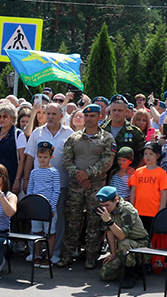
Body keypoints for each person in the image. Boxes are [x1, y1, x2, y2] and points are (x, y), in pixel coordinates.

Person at [59, 103, 116, 269]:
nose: (89, 119)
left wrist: (88, 174)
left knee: (94, 222)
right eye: (87, 115)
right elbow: (67, 160)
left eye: (93, 116)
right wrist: (79, 174)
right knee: (72, 221)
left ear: (100, 117)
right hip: (75, 187)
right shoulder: (74, 138)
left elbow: (107, 161)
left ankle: (91, 257)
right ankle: (67, 255)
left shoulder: (107, 138)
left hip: (96, 187)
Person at [21, 103, 72, 260]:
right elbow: (29, 157)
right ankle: (33, 252)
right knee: (35, 218)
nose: (50, 117)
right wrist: (26, 179)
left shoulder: (69, 133)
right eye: (48, 113)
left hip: (59, 184)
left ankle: (54, 254)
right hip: (37, 186)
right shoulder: (37, 133)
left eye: (54, 114)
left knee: (57, 221)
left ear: (61, 116)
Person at [94, 185, 147, 287]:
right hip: (123, 248)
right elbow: (109, 232)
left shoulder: (127, 211)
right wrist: (113, 253)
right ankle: (130, 268)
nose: (105, 208)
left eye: (107, 205)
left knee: (124, 243)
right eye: (102, 206)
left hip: (140, 245)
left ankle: (130, 274)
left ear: (116, 199)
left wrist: (109, 221)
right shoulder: (108, 211)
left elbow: (122, 236)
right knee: (104, 275)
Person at [23, 140, 60, 264]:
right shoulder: (34, 172)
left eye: (45, 157)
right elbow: (30, 190)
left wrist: (52, 208)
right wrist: (30, 206)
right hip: (36, 208)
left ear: (51, 157)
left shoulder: (54, 172)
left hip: (49, 207)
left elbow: (56, 191)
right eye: (40, 157)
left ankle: (48, 257)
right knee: (37, 231)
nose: (42, 159)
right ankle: (38, 255)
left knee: (50, 232)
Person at [0, 101, 26, 191]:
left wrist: (17, 180)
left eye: (5, 116)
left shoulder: (18, 134)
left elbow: (22, 159)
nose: (2, 119)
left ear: (12, 118)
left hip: (11, 176)